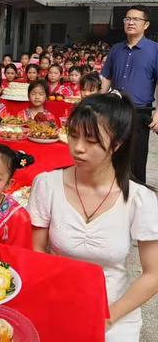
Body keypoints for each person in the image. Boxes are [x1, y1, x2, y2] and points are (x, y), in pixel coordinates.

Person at [28, 93, 158, 341]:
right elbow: (37, 252)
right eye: (73, 135)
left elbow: (153, 274)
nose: (77, 148)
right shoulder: (47, 184)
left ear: (117, 144)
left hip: (115, 309)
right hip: (57, 298)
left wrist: (107, 317)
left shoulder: (140, 200)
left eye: (91, 140)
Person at [101, 5, 158, 185]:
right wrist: (99, 104)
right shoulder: (116, 49)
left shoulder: (155, 50)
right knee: (112, 155)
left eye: (135, 19)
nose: (130, 22)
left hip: (140, 113)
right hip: (115, 110)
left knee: (136, 160)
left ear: (146, 25)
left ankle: (137, 200)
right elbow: (107, 78)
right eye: (127, 19)